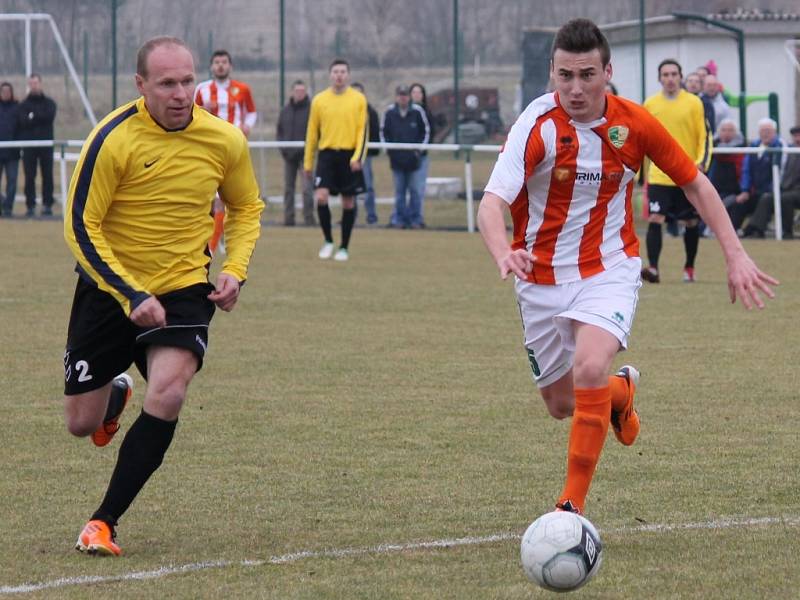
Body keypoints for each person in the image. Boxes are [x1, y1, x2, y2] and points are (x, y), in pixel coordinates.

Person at [477, 18, 776, 517]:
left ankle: (569, 509)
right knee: (560, 403)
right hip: (539, 277)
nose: (575, 88)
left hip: (607, 268)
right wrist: (502, 250)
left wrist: (736, 253)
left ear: (608, 72)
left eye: (587, 75)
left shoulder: (633, 124)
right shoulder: (537, 125)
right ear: (551, 72)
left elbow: (696, 184)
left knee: (590, 365)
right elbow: (491, 203)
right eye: (565, 75)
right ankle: (621, 393)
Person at [63, 36, 263, 556]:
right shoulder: (112, 138)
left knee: (171, 392)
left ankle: (103, 521)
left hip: (182, 290)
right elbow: (80, 227)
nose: (180, 93)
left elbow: (246, 208)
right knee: (80, 425)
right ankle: (113, 395)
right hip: (110, 289)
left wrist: (235, 271)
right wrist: (129, 293)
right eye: (167, 83)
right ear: (141, 85)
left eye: (187, 80)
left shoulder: (224, 140)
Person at [642, 59, 712, 283]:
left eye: (674, 74)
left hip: (686, 174)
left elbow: (704, 135)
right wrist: (638, 173)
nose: (670, 78)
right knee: (655, 217)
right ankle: (653, 268)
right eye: (665, 75)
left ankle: (689, 268)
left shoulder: (694, 103)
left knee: (690, 223)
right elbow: (642, 139)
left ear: (680, 77)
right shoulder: (650, 104)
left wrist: (701, 163)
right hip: (659, 175)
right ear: (659, 78)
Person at [303, 58, 367, 262]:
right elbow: (312, 133)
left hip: (349, 156)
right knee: (321, 197)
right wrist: (308, 162)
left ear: (348, 75)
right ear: (330, 75)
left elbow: (363, 131)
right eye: (335, 72)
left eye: (343, 72)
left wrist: (358, 157)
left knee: (348, 202)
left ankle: (344, 247)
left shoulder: (358, 99)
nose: (339, 75)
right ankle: (328, 240)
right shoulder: (319, 100)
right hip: (327, 155)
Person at [195, 50, 258, 252]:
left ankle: (214, 244)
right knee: (210, 199)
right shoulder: (202, 90)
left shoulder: (242, 89)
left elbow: (251, 112)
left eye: (224, 62)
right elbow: (192, 114)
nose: (220, 65)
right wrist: (206, 110)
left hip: (234, 149)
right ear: (212, 66)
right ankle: (212, 242)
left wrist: (248, 125)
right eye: (217, 62)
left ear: (230, 66)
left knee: (228, 198)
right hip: (208, 149)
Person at [381, 85, 430, 229]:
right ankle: (399, 220)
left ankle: (415, 220)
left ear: (409, 97)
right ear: (396, 96)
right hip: (396, 160)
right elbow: (383, 133)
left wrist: (418, 151)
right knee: (399, 191)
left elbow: (426, 132)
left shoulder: (417, 112)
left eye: (405, 95)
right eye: (400, 95)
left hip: (414, 160)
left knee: (415, 191)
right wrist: (389, 151)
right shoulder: (389, 112)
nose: (403, 98)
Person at [740, 125, 800, 239]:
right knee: (767, 197)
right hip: (788, 189)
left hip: (796, 191)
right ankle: (755, 230)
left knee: (785, 198)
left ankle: (787, 232)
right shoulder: (789, 151)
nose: (797, 139)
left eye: (799, 136)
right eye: (795, 136)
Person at [730, 118, 786, 234]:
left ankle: (752, 230)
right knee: (739, 202)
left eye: (768, 130)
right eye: (763, 130)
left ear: (774, 132)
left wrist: (772, 190)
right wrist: (745, 190)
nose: (765, 133)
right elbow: (746, 170)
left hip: (773, 192)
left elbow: (781, 171)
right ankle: (730, 232)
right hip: (755, 191)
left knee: (765, 200)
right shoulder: (753, 147)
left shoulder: (780, 146)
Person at [17, 73, 56, 217]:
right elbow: (23, 122)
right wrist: (35, 117)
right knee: (29, 176)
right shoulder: (23, 105)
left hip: (46, 145)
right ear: (29, 85)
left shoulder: (50, 103)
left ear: (40, 83)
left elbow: (49, 117)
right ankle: (30, 205)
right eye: (31, 83)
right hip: (29, 146)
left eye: (36, 83)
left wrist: (33, 116)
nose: (34, 86)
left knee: (47, 175)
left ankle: (47, 205)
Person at [277, 80, 314, 226]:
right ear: (292, 92)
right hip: (289, 156)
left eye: (302, 91)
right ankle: (289, 218)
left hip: (306, 156)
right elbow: (279, 131)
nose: (299, 93)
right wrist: (284, 150)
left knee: (307, 189)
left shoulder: (311, 109)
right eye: (297, 90)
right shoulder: (285, 110)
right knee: (288, 188)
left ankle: (309, 218)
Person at [351, 82, 380, 226]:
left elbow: (374, 132)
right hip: (348, 155)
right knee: (349, 186)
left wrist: (370, 151)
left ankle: (371, 215)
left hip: (365, 156)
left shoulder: (371, 112)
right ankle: (350, 215)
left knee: (368, 186)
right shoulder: (346, 111)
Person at [410, 82, 435, 228]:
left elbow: (429, 132)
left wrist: (420, 150)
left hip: (421, 156)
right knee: (404, 189)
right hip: (404, 158)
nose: (416, 95)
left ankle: (417, 218)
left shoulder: (426, 112)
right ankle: (403, 217)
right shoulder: (405, 111)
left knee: (418, 187)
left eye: (419, 92)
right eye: (414, 92)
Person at [0, 82, 20, 218]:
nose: (6, 93)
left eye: (8, 91)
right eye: (3, 91)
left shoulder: (17, 108)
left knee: (12, 181)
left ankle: (8, 208)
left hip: (13, 152)